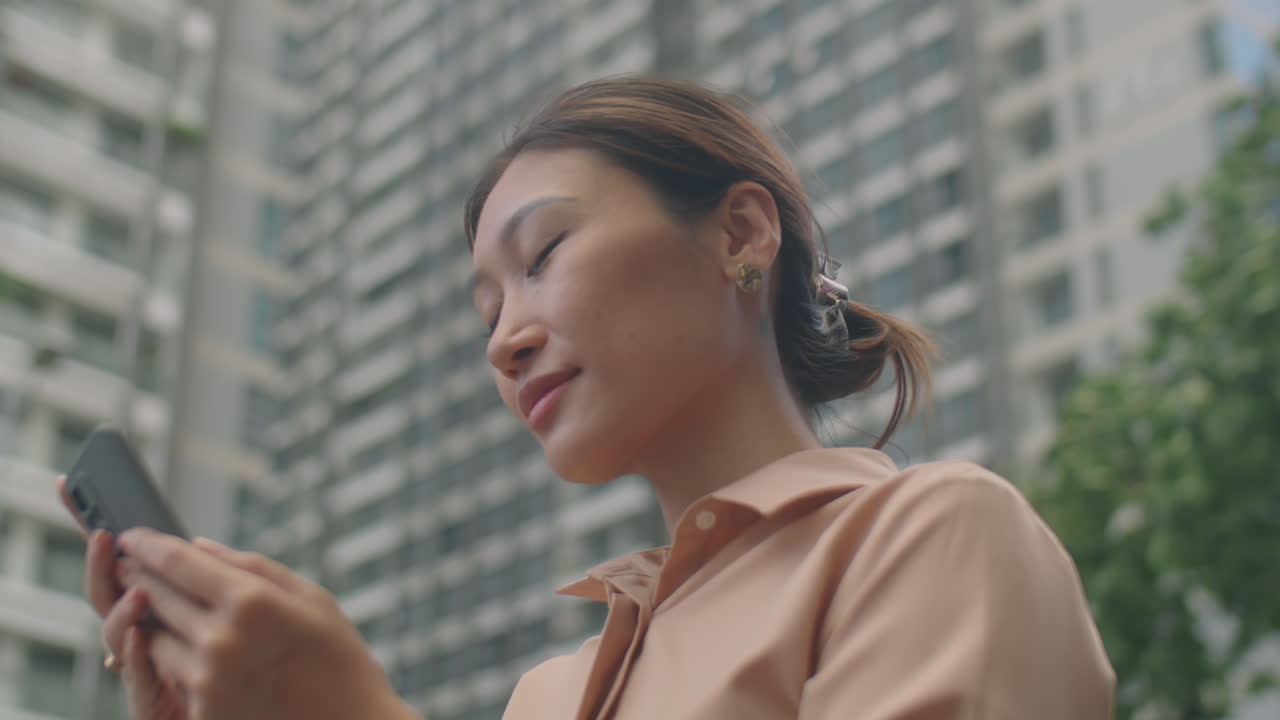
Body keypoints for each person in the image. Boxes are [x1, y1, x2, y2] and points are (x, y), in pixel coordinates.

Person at [57, 76, 1115, 719]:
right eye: (484, 315)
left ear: (741, 235)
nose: (506, 339)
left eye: (544, 253)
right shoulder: (545, 698)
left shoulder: (929, 537)